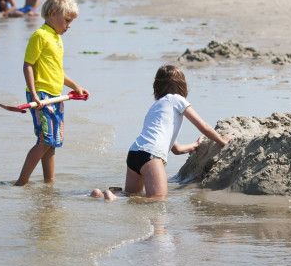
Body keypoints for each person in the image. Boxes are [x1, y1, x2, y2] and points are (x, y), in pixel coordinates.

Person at [90, 64, 228, 201]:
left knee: (131, 196)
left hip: (134, 153)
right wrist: (222, 141)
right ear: (182, 85)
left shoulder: (156, 106)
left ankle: (102, 195)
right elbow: (203, 126)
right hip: (151, 154)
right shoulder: (178, 99)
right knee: (158, 199)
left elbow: (176, 149)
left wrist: (194, 145)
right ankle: (113, 198)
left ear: (157, 86)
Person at [13, 0, 87, 186]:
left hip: (56, 96)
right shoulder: (40, 35)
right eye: (67, 20)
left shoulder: (57, 38)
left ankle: (49, 184)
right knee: (45, 140)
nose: (69, 26)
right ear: (53, 13)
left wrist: (75, 86)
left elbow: (57, 72)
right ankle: (21, 182)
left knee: (52, 143)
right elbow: (28, 65)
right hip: (41, 95)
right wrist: (35, 94)